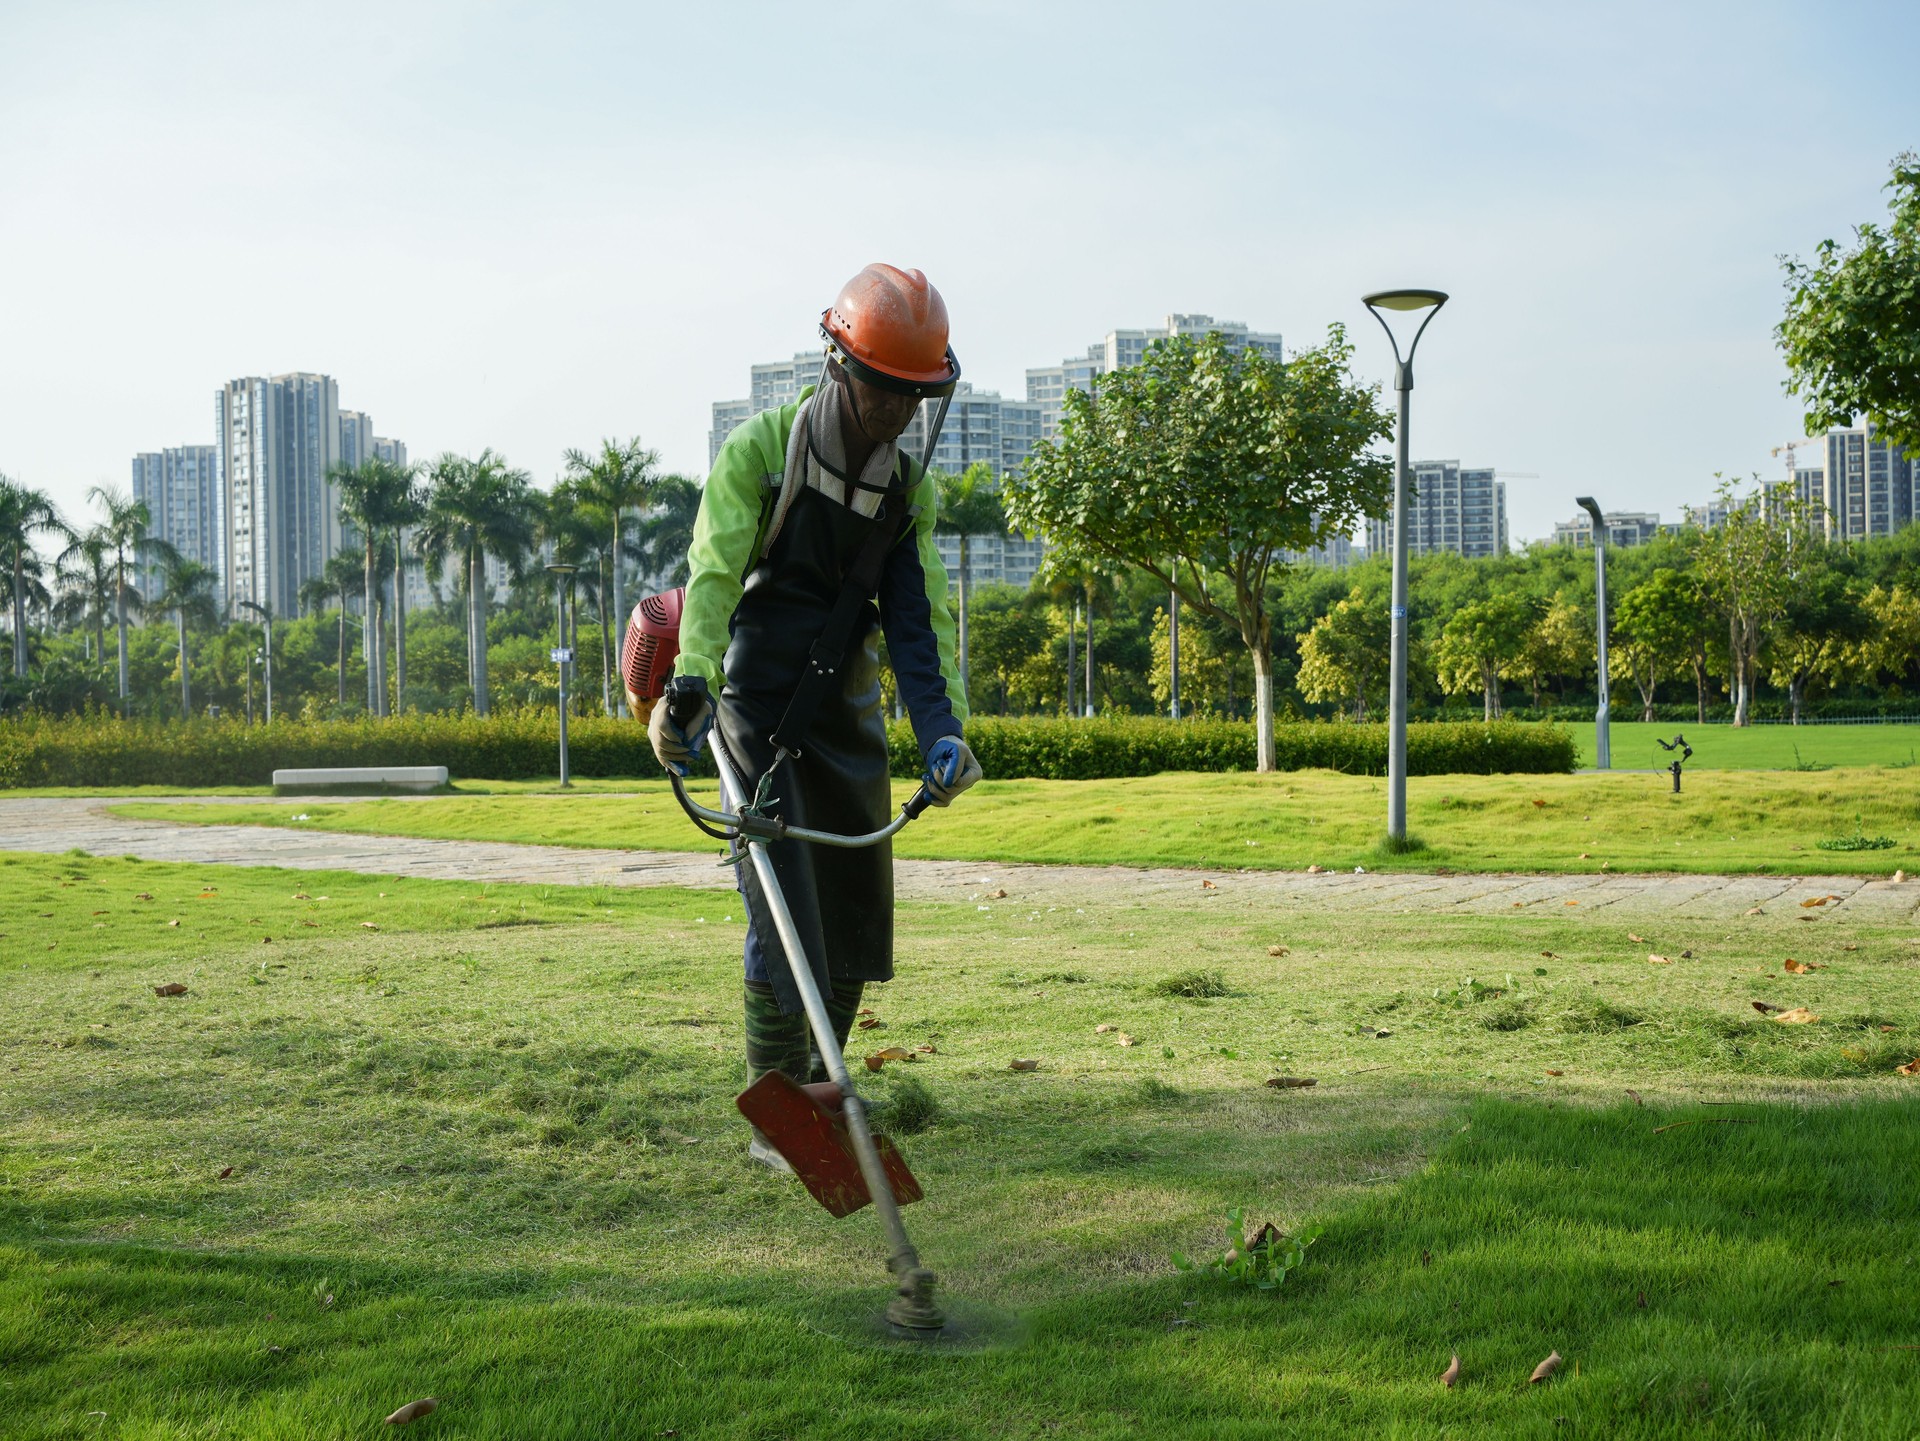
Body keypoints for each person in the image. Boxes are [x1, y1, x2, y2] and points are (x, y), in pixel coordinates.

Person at [649, 263, 983, 1168]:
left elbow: (920, 630)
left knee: (853, 917)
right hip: (754, 705)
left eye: (919, 396)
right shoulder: (764, 451)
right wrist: (691, 681)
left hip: (848, 715)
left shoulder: (906, 491)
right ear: (842, 367)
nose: (902, 412)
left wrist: (943, 729)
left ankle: (823, 1099)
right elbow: (713, 576)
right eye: (888, 391)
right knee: (782, 910)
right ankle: (778, 1115)